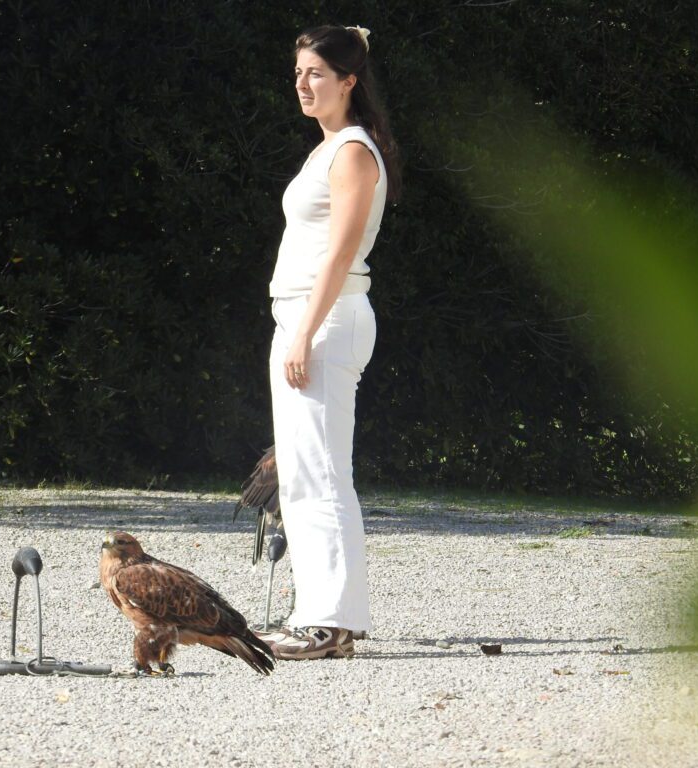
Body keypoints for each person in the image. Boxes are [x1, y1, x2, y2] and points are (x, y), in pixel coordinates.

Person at [257, 24, 400, 660]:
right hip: (303, 319)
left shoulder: (352, 152)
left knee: (319, 475)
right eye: (297, 73)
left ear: (349, 80)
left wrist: (304, 333)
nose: (303, 83)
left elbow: (340, 252)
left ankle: (331, 623)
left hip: (326, 318)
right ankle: (318, 614)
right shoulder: (327, 150)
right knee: (301, 475)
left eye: (316, 73)